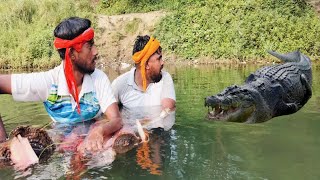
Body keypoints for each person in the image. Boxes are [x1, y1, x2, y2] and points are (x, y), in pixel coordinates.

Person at [0, 17, 122, 153]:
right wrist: (2, 142)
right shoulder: (48, 83)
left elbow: (116, 120)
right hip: (62, 147)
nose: (95, 51)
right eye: (89, 46)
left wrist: (98, 130)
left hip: (95, 145)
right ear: (72, 54)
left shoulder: (99, 78)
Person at [111, 35, 176, 130]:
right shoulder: (120, 84)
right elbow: (108, 116)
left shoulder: (165, 78)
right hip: (132, 134)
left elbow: (168, 108)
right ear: (146, 65)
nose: (162, 63)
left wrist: (147, 123)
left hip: (159, 134)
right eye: (159, 59)